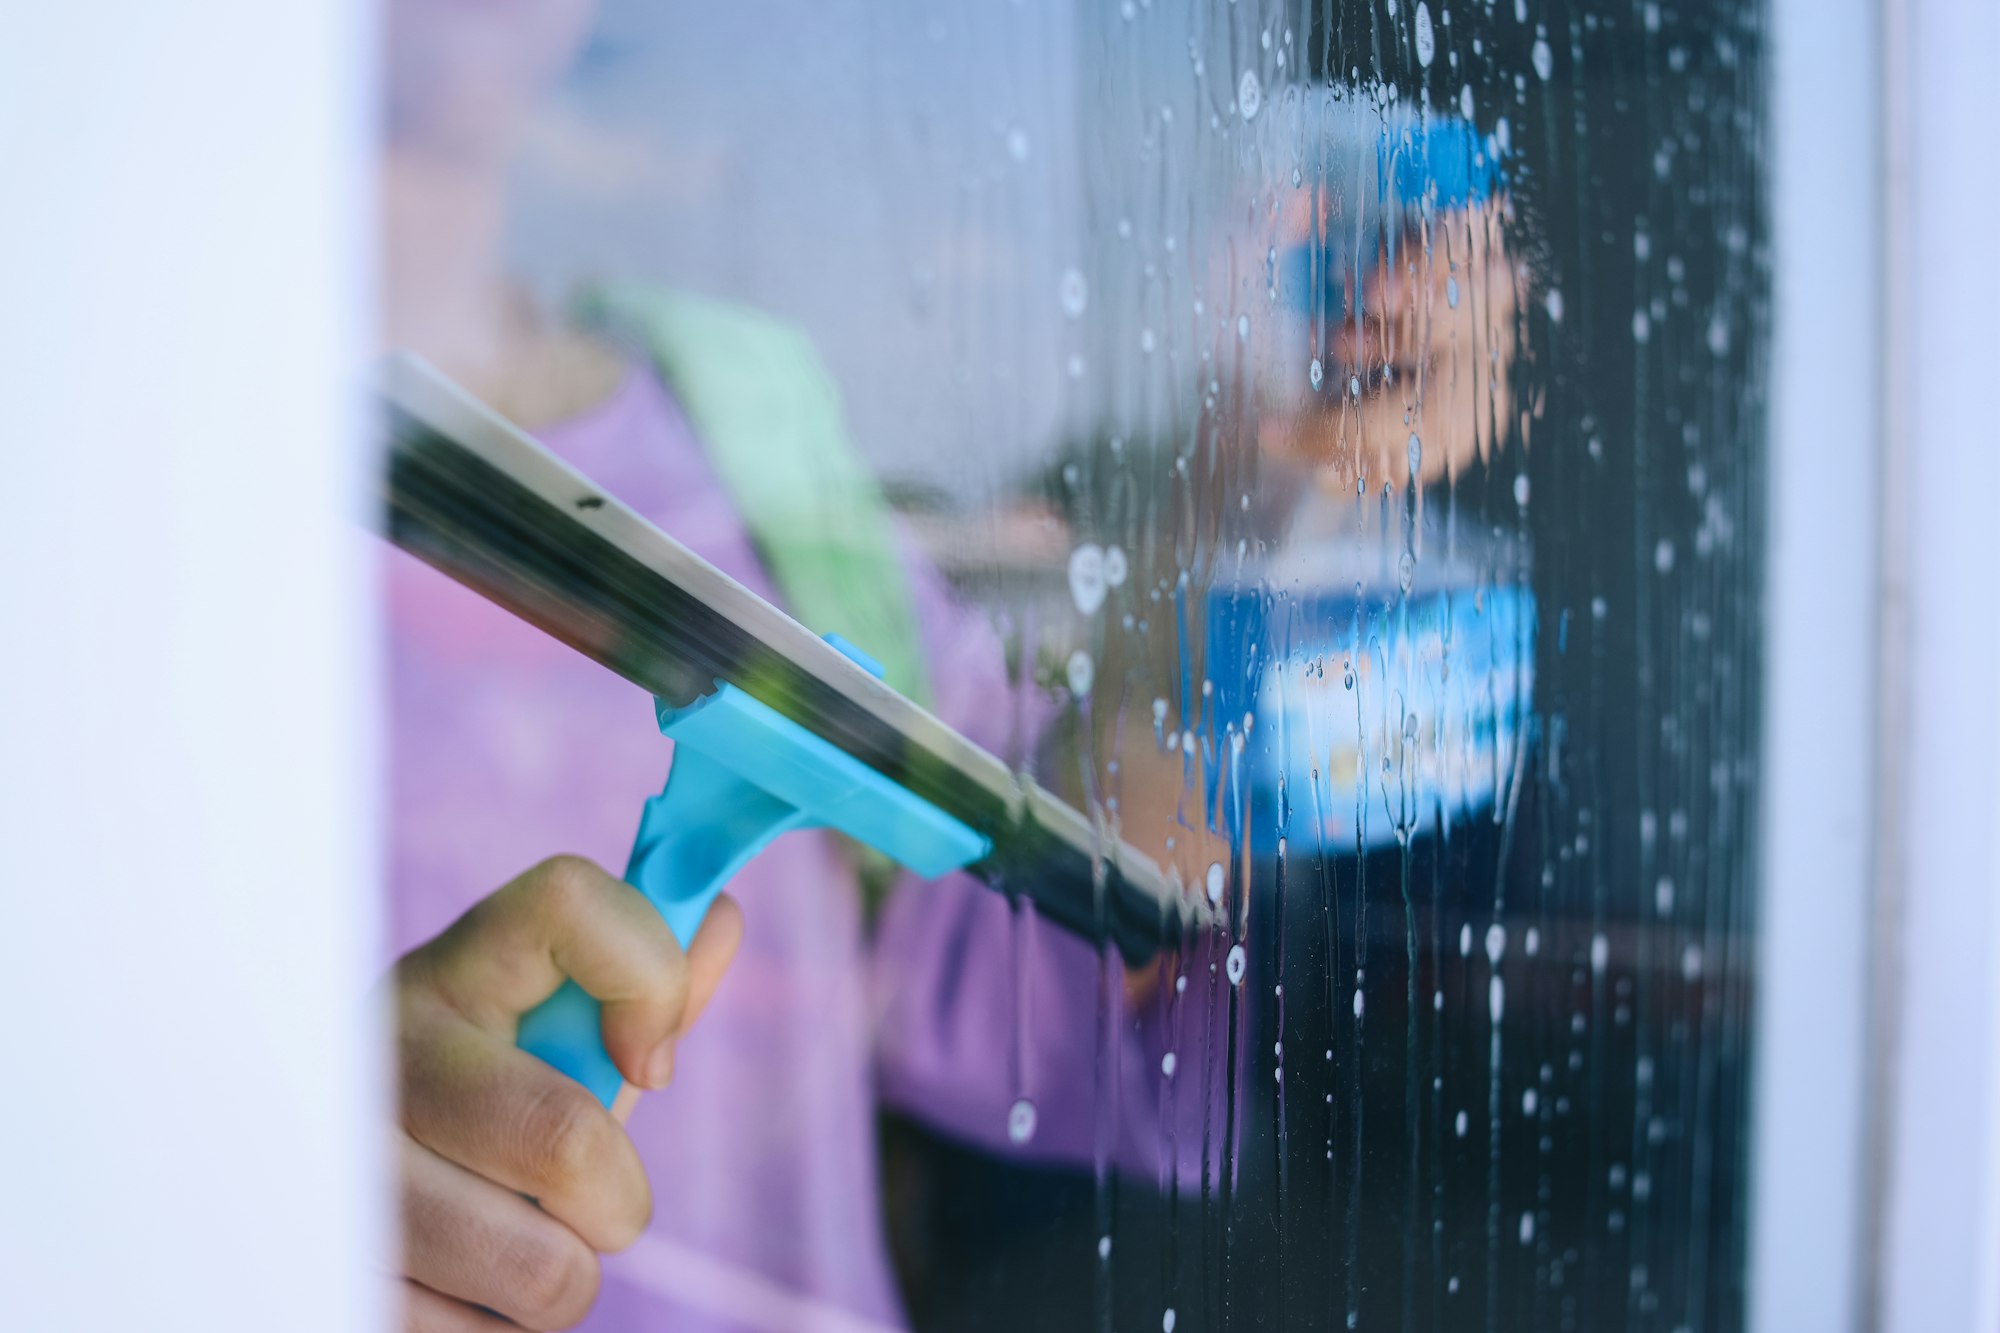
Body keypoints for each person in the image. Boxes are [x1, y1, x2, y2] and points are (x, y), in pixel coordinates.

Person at [379, 3, 1206, 1329]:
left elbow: (1056, 978)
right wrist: (242, 1192)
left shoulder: (753, 444)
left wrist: (1255, 501)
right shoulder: (98, 513)